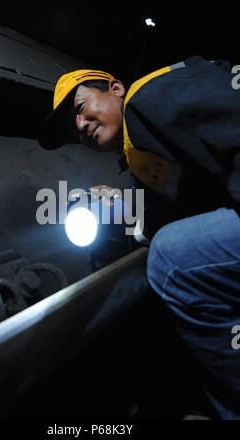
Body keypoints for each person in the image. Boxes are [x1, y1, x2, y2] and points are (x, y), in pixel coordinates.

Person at [38, 56, 240, 419]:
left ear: (115, 89)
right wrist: (123, 203)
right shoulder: (140, 154)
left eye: (81, 107)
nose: (81, 126)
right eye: (74, 129)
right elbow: (192, 202)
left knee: (171, 258)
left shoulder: (149, 97)